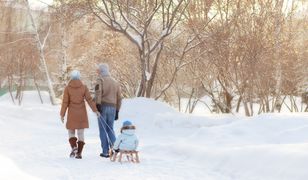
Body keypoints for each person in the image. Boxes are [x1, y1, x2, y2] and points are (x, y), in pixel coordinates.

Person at [60, 70, 100, 159]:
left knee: (71, 131)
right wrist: (95, 110)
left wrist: (62, 114)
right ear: (79, 77)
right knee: (80, 133)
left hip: (72, 113)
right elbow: (89, 100)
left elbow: (65, 102)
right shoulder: (84, 87)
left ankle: (74, 147)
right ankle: (79, 153)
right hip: (81, 113)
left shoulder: (67, 88)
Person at [94, 63, 122, 158]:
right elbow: (119, 98)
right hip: (113, 108)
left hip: (103, 107)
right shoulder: (115, 82)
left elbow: (98, 93)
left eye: (98, 70)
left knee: (102, 130)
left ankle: (105, 152)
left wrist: (97, 105)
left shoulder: (100, 80)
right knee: (110, 128)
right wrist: (117, 110)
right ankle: (115, 147)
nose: (97, 72)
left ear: (101, 71)